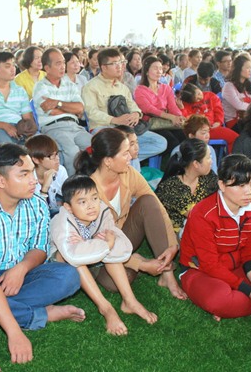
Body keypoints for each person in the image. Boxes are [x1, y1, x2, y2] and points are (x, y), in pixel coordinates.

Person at [0, 144, 83, 365]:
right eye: (24, 174)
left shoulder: (37, 205)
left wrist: (21, 269)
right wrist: (14, 332)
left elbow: (40, 249)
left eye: (32, 172)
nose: (34, 181)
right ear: (1, 181)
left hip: (24, 275)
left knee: (69, 276)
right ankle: (40, 314)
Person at [75, 128, 186, 299]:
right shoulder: (89, 191)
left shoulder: (128, 173)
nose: (132, 156)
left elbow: (156, 206)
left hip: (123, 237)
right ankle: (136, 260)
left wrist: (172, 245)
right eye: (125, 153)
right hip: (100, 253)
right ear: (108, 161)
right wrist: (140, 264)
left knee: (148, 201)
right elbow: (98, 243)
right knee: (119, 282)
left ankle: (167, 275)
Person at [179, 154, 251, 320]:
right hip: (201, 271)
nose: (249, 191)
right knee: (219, 300)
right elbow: (209, 264)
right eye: (241, 185)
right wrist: (250, 292)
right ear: (222, 185)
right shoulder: (203, 214)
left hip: (238, 266)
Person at [50, 175, 157, 335]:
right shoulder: (61, 221)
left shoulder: (102, 211)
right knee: (76, 257)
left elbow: (117, 244)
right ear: (69, 207)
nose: (91, 206)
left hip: (93, 263)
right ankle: (106, 309)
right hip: (62, 271)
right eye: (82, 202)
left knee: (108, 246)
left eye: (94, 198)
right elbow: (73, 256)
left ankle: (130, 301)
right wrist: (104, 244)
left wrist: (100, 243)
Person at [82, 48, 167, 163]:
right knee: (128, 147)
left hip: (125, 127)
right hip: (103, 128)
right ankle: (125, 159)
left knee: (160, 142)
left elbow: (133, 106)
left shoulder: (122, 87)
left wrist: (136, 114)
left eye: (120, 62)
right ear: (104, 67)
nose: (120, 66)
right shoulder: (91, 87)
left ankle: (121, 159)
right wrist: (114, 120)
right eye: (114, 64)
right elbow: (91, 112)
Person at [33, 48, 92, 175]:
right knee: (72, 152)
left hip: (75, 126)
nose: (62, 67)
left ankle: (94, 180)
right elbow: (51, 111)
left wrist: (58, 103)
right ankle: (73, 184)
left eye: (63, 63)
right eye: (58, 63)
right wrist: (71, 110)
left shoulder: (69, 84)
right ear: (47, 68)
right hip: (54, 127)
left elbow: (80, 108)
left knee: (96, 146)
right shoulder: (41, 86)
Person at [155, 138, 218, 237]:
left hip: (196, 227)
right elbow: (195, 215)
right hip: (173, 234)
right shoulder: (172, 187)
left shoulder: (208, 177)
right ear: (196, 164)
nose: (211, 161)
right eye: (208, 158)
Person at [134, 55, 186, 153]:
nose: (159, 71)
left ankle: (183, 161)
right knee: (172, 141)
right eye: (155, 68)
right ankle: (173, 161)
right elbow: (149, 109)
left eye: (160, 69)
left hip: (166, 122)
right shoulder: (139, 90)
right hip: (150, 124)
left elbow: (173, 107)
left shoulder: (166, 88)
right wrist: (171, 117)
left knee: (184, 138)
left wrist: (178, 117)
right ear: (146, 71)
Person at [179, 82, 238, 152]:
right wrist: (182, 108)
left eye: (199, 93)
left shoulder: (211, 96)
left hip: (213, 127)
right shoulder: (186, 104)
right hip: (199, 131)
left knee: (236, 138)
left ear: (197, 88)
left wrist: (218, 122)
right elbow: (186, 120)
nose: (200, 97)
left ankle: (232, 156)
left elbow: (219, 111)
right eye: (197, 99)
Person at [25, 134, 67, 216]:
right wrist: (45, 188)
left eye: (57, 154)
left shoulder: (60, 170)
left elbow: (69, 195)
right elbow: (37, 213)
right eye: (52, 156)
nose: (57, 159)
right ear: (36, 160)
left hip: (53, 210)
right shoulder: (27, 179)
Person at [222, 54, 251, 128]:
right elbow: (239, 106)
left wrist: (248, 99)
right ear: (239, 69)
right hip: (234, 122)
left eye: (250, 68)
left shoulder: (249, 83)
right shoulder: (229, 86)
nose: (250, 70)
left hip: (248, 118)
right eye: (247, 68)